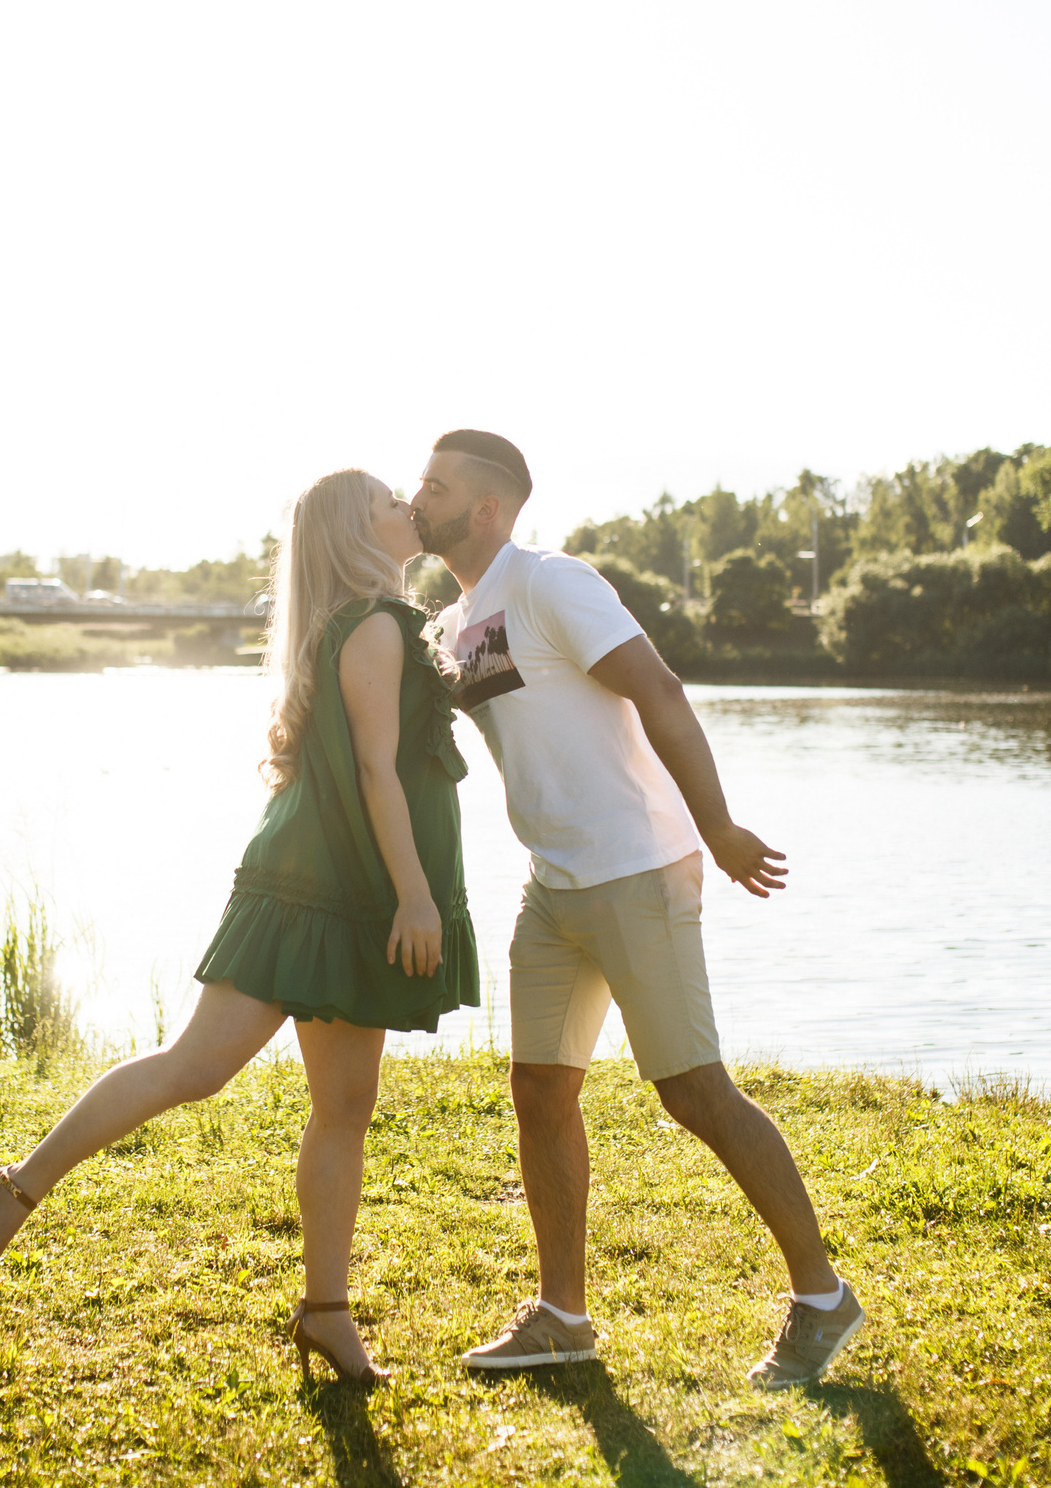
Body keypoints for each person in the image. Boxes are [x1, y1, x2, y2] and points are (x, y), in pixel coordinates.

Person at [0, 468, 479, 1385]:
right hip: (323, 889)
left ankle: (326, 1311)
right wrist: (416, 896)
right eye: (388, 501)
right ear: (356, 533)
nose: (407, 506)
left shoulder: (373, 621)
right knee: (196, 1067)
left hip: (342, 884)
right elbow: (376, 772)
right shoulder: (377, 625)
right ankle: (15, 1187)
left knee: (344, 1105)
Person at [412, 428, 863, 1391]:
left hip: (635, 868)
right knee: (539, 1088)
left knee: (693, 1090)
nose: (419, 499)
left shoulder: (551, 582)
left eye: (435, 487)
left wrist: (720, 825)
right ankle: (563, 1316)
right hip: (553, 882)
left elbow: (659, 688)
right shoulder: (451, 622)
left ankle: (822, 1295)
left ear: (487, 508)